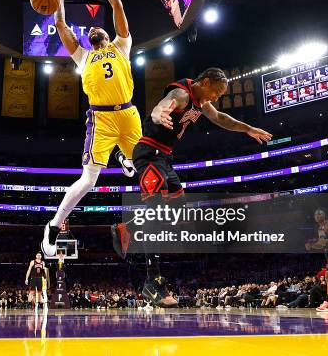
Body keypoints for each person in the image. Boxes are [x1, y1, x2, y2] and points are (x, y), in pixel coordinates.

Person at [111, 68, 273, 306]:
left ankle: (127, 228)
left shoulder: (201, 101)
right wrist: (158, 115)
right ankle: (152, 284)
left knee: (178, 212)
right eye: (216, 91)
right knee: (156, 216)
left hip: (165, 158)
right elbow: (163, 106)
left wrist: (247, 128)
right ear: (205, 82)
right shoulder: (183, 94)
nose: (216, 97)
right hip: (149, 153)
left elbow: (220, 118)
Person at [41, 0, 141, 257]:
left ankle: (125, 156)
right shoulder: (83, 57)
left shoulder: (122, 46)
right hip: (102, 120)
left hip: (129, 113)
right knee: (88, 180)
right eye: (92, 30)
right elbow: (59, 24)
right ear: (90, 38)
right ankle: (54, 226)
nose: (96, 29)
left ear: (107, 35)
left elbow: (117, 6)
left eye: (100, 27)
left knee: (146, 167)